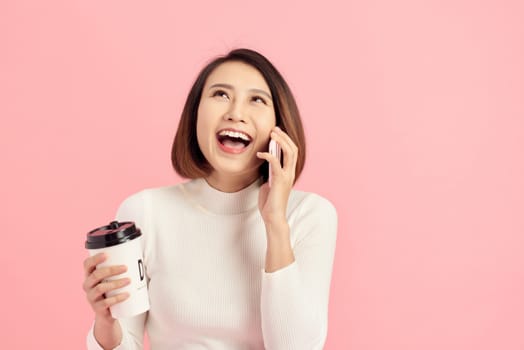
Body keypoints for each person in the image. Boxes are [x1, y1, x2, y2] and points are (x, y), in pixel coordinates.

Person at [83, 48, 337, 350]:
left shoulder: (310, 215)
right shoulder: (145, 212)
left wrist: (275, 224)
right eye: (220, 95)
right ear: (195, 115)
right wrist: (105, 322)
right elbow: (127, 342)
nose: (236, 113)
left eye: (256, 100)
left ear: (278, 125)